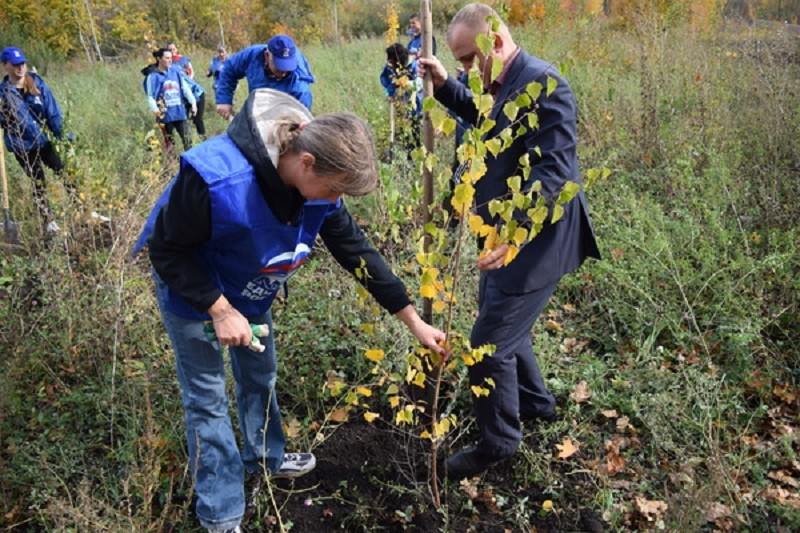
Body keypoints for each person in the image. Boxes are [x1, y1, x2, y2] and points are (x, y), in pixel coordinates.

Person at [132, 88, 446, 533]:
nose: (335, 199)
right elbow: (167, 250)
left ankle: (265, 458)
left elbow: (355, 250)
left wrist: (413, 321)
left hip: (250, 290)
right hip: (194, 291)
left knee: (260, 375)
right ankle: (221, 515)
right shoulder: (216, 178)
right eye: (335, 189)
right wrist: (219, 310)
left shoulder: (318, 190)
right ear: (307, 163)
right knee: (207, 401)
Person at [417, 3, 600, 481]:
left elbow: (555, 176)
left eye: (467, 60)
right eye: (458, 62)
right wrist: (445, 87)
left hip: (534, 241)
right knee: (501, 323)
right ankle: (537, 404)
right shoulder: (493, 81)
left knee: (489, 344)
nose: (465, 70)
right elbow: (486, 121)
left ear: (495, 43)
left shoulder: (546, 86)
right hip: (499, 236)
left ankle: (499, 440)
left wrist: (515, 233)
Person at [0, 46, 68, 233]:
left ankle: (86, 210)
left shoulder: (36, 83)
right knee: (39, 181)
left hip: (43, 141)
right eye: (15, 65)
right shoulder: (3, 94)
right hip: (22, 145)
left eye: (22, 63)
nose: (20, 68)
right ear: (5, 66)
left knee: (65, 171)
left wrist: (62, 134)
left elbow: (52, 112)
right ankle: (48, 222)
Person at [215, 35, 315, 119]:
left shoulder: (300, 88)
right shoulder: (252, 55)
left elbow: (301, 120)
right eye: (279, 67)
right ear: (267, 56)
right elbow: (229, 68)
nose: (284, 72)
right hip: (258, 102)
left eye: (288, 67)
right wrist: (224, 99)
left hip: (285, 109)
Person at [144, 48, 197, 151]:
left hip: (179, 113)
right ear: (159, 59)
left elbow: (185, 88)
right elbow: (150, 96)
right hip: (165, 115)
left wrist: (193, 103)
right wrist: (156, 112)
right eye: (167, 58)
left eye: (171, 58)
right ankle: (171, 164)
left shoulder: (175, 71)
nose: (170, 60)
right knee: (170, 144)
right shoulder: (153, 76)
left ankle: (190, 164)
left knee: (187, 140)